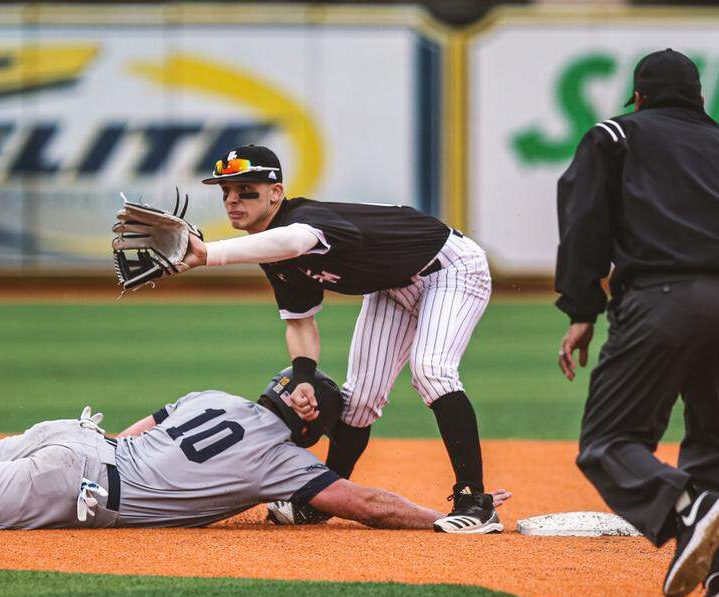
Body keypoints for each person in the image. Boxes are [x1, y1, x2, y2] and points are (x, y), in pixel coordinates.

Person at [0, 327, 510, 532]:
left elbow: (141, 425)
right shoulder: (279, 462)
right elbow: (362, 498)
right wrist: (441, 517)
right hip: (79, 484)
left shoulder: (213, 395)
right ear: (312, 427)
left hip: (83, 441)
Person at [554, 49, 719, 597]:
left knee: (608, 443)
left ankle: (686, 507)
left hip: (663, 297)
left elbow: (584, 219)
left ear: (639, 97)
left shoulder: (615, 136)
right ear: (699, 99)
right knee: (713, 438)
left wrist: (580, 311)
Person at [177, 145, 498, 533]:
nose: (232, 200)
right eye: (225, 191)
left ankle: (475, 500)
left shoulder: (305, 220)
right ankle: (323, 495)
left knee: (432, 370)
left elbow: (295, 241)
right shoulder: (273, 257)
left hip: (451, 268)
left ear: (276, 193)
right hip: (392, 287)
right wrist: (304, 378)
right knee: (359, 401)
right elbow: (299, 324)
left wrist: (208, 253)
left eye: (247, 189)